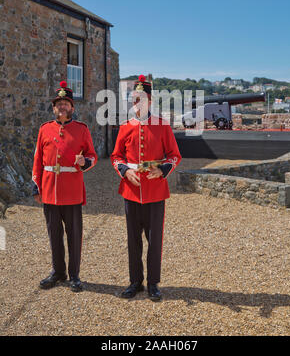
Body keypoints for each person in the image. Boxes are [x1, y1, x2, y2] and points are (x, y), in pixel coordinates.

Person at [111, 75, 182, 301]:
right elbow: (116, 156)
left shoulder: (162, 126)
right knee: (133, 240)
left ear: (150, 101)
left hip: (155, 191)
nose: (137, 103)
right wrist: (125, 171)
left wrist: (162, 170)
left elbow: (175, 155)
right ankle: (135, 281)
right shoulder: (125, 127)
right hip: (131, 191)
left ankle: (153, 283)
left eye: (141, 99)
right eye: (134, 99)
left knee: (154, 241)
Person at [32, 81, 97, 292]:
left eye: (66, 103)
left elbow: (92, 156)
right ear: (53, 107)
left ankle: (74, 275)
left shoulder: (81, 130)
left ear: (72, 107)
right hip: (49, 190)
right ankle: (58, 272)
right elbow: (38, 160)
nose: (62, 106)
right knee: (54, 234)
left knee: (74, 235)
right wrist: (36, 187)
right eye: (58, 103)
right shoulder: (44, 129)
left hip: (72, 191)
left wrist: (84, 162)